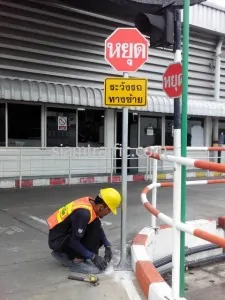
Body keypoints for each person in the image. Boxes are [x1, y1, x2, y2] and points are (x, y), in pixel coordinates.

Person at [47, 188, 121, 274]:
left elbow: (98, 227)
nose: (108, 213)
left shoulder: (90, 203)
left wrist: (107, 245)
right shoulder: (83, 213)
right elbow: (73, 242)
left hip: (63, 235)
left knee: (96, 225)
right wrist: (93, 257)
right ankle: (76, 261)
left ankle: (82, 256)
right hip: (57, 241)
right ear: (101, 207)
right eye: (108, 210)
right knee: (92, 234)